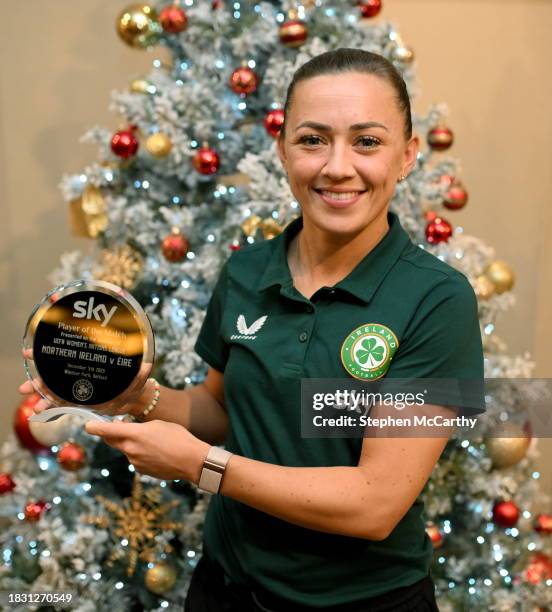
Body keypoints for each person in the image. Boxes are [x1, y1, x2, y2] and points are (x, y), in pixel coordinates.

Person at [20, 48, 485, 611]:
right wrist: (137, 396)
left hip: (361, 602)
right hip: (225, 590)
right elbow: (221, 411)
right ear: (282, 150)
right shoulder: (247, 271)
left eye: (367, 141)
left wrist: (198, 466)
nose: (337, 166)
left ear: (407, 155)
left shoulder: (437, 299)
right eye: (312, 139)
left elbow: (373, 504)